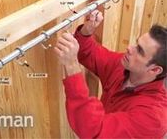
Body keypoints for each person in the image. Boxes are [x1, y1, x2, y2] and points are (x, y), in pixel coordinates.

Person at [54, 10, 167, 138]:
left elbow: (93, 132)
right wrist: (86, 31)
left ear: (155, 70)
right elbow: (91, 53)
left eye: (139, 51)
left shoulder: (152, 118)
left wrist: (71, 65)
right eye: (136, 43)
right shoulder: (124, 67)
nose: (130, 48)